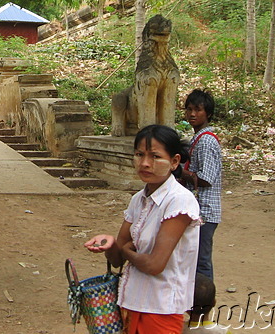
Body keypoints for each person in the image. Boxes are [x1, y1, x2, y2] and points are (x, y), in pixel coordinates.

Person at [85, 124, 201, 334]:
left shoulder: (179, 201)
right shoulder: (138, 199)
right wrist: (110, 244)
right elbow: (117, 259)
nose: (145, 163)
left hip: (161, 308)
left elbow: (155, 264)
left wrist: (128, 251)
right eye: (139, 155)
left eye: (155, 156)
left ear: (174, 161)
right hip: (130, 303)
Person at [179, 89, 222, 279]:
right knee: (194, 257)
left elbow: (206, 178)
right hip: (199, 210)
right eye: (189, 110)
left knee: (201, 261)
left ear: (208, 114)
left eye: (198, 110)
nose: (192, 114)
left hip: (205, 210)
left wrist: (181, 172)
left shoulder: (205, 141)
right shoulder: (198, 138)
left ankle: (203, 301)